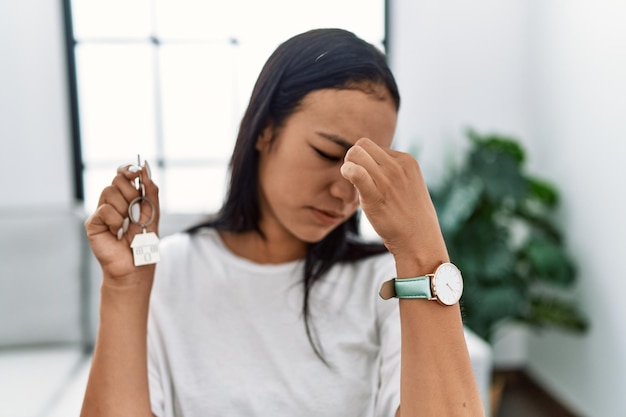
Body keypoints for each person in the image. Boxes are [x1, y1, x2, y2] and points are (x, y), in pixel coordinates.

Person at [80, 28, 484, 417]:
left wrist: (420, 248)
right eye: (328, 153)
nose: (346, 192)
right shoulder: (168, 271)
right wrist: (125, 290)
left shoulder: (387, 282)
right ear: (265, 131)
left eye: (364, 169)